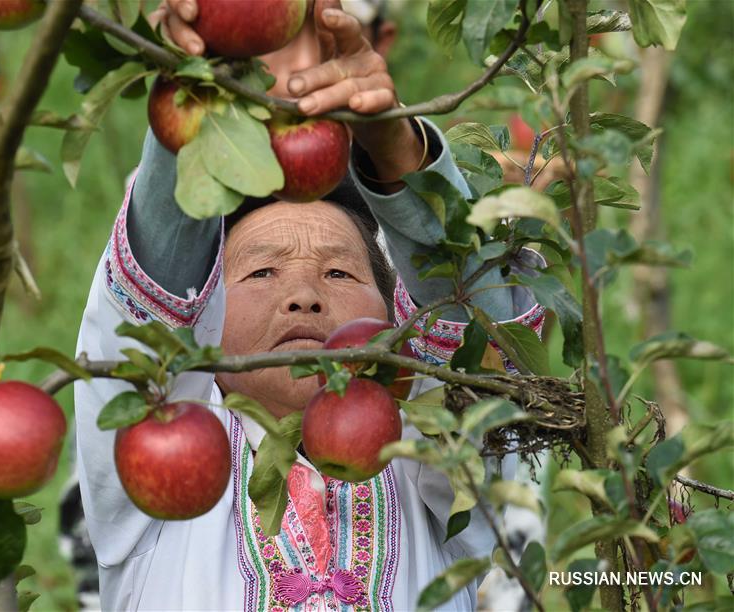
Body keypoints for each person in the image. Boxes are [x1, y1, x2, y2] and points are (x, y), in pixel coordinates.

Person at [73, 0, 546, 609]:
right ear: (200, 326)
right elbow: (155, 284)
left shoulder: (429, 470)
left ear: (398, 322)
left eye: (340, 270)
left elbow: (467, 328)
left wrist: (395, 148)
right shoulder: (159, 460)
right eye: (262, 271)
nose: (302, 296)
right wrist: (196, 73)